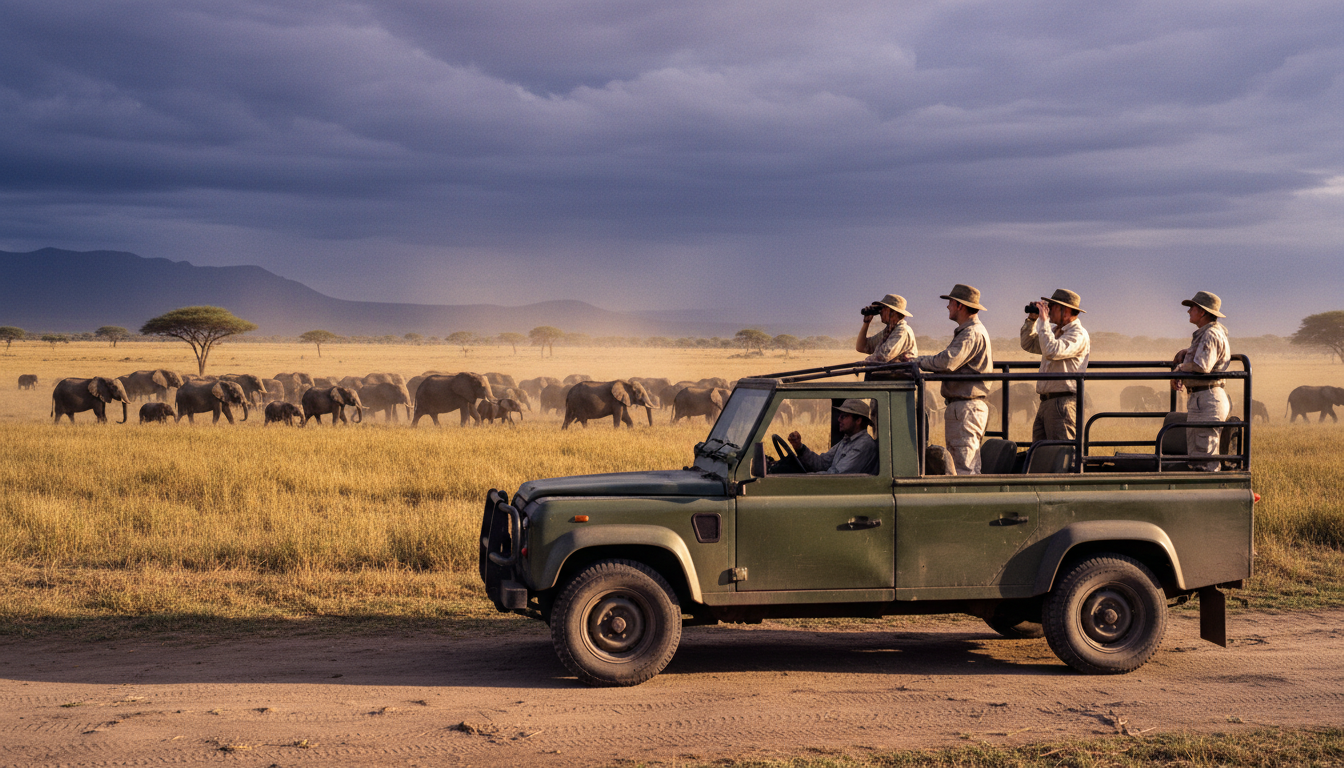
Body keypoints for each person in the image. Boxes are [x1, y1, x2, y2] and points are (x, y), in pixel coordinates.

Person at [900, 284, 993, 475]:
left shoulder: (971, 333)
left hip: (966, 406)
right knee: (961, 463)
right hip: (963, 406)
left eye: (950, 302)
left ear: (960, 306)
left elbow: (948, 361)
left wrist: (918, 362)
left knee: (964, 467)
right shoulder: (969, 331)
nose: (948, 306)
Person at [1020, 288, 1091, 442]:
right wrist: (1032, 319)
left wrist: (1044, 321)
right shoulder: (1054, 331)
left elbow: (1052, 351)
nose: (1048, 310)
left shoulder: (1078, 334)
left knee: (1062, 455)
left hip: (1063, 403)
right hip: (1046, 402)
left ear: (1065, 311)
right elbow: (1029, 344)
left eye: (1051, 307)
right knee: (1041, 454)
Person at [1172, 291, 1231, 471]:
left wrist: (1180, 369)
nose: (1189, 311)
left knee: (1205, 456)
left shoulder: (1210, 334)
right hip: (1202, 397)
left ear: (1203, 312)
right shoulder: (1208, 333)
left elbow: (1202, 366)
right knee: (1197, 453)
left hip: (1207, 398)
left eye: (1193, 308)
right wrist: (1187, 353)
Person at [786, 399, 878, 474]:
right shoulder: (846, 441)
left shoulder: (864, 445)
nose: (839, 419)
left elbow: (836, 477)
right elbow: (822, 463)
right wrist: (800, 448)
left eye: (844, 416)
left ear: (858, 420)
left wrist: (805, 478)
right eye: (840, 416)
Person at [855, 294, 917, 364]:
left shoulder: (902, 330)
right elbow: (861, 347)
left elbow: (883, 357)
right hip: (887, 374)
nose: (880, 312)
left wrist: (863, 363)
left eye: (883, 308)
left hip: (901, 374)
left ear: (893, 312)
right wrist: (866, 323)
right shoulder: (888, 332)